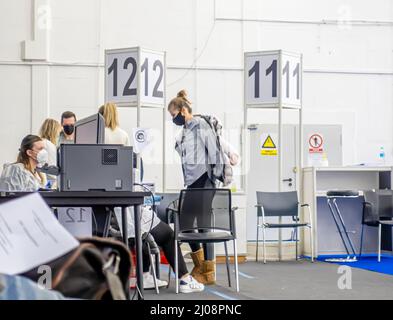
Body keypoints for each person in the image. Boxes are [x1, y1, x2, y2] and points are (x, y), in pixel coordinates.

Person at [99, 102, 204, 293]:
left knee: (145, 233)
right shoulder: (121, 138)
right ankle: (184, 279)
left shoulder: (94, 148)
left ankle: (147, 275)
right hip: (128, 211)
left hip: (112, 215)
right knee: (167, 234)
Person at [167, 90, 220, 285]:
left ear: (182, 111)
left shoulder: (200, 124)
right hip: (192, 182)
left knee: (204, 224)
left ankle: (209, 270)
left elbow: (213, 151)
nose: (173, 119)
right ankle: (199, 265)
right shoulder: (185, 131)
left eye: (173, 115)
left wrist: (214, 178)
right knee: (186, 222)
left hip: (206, 179)